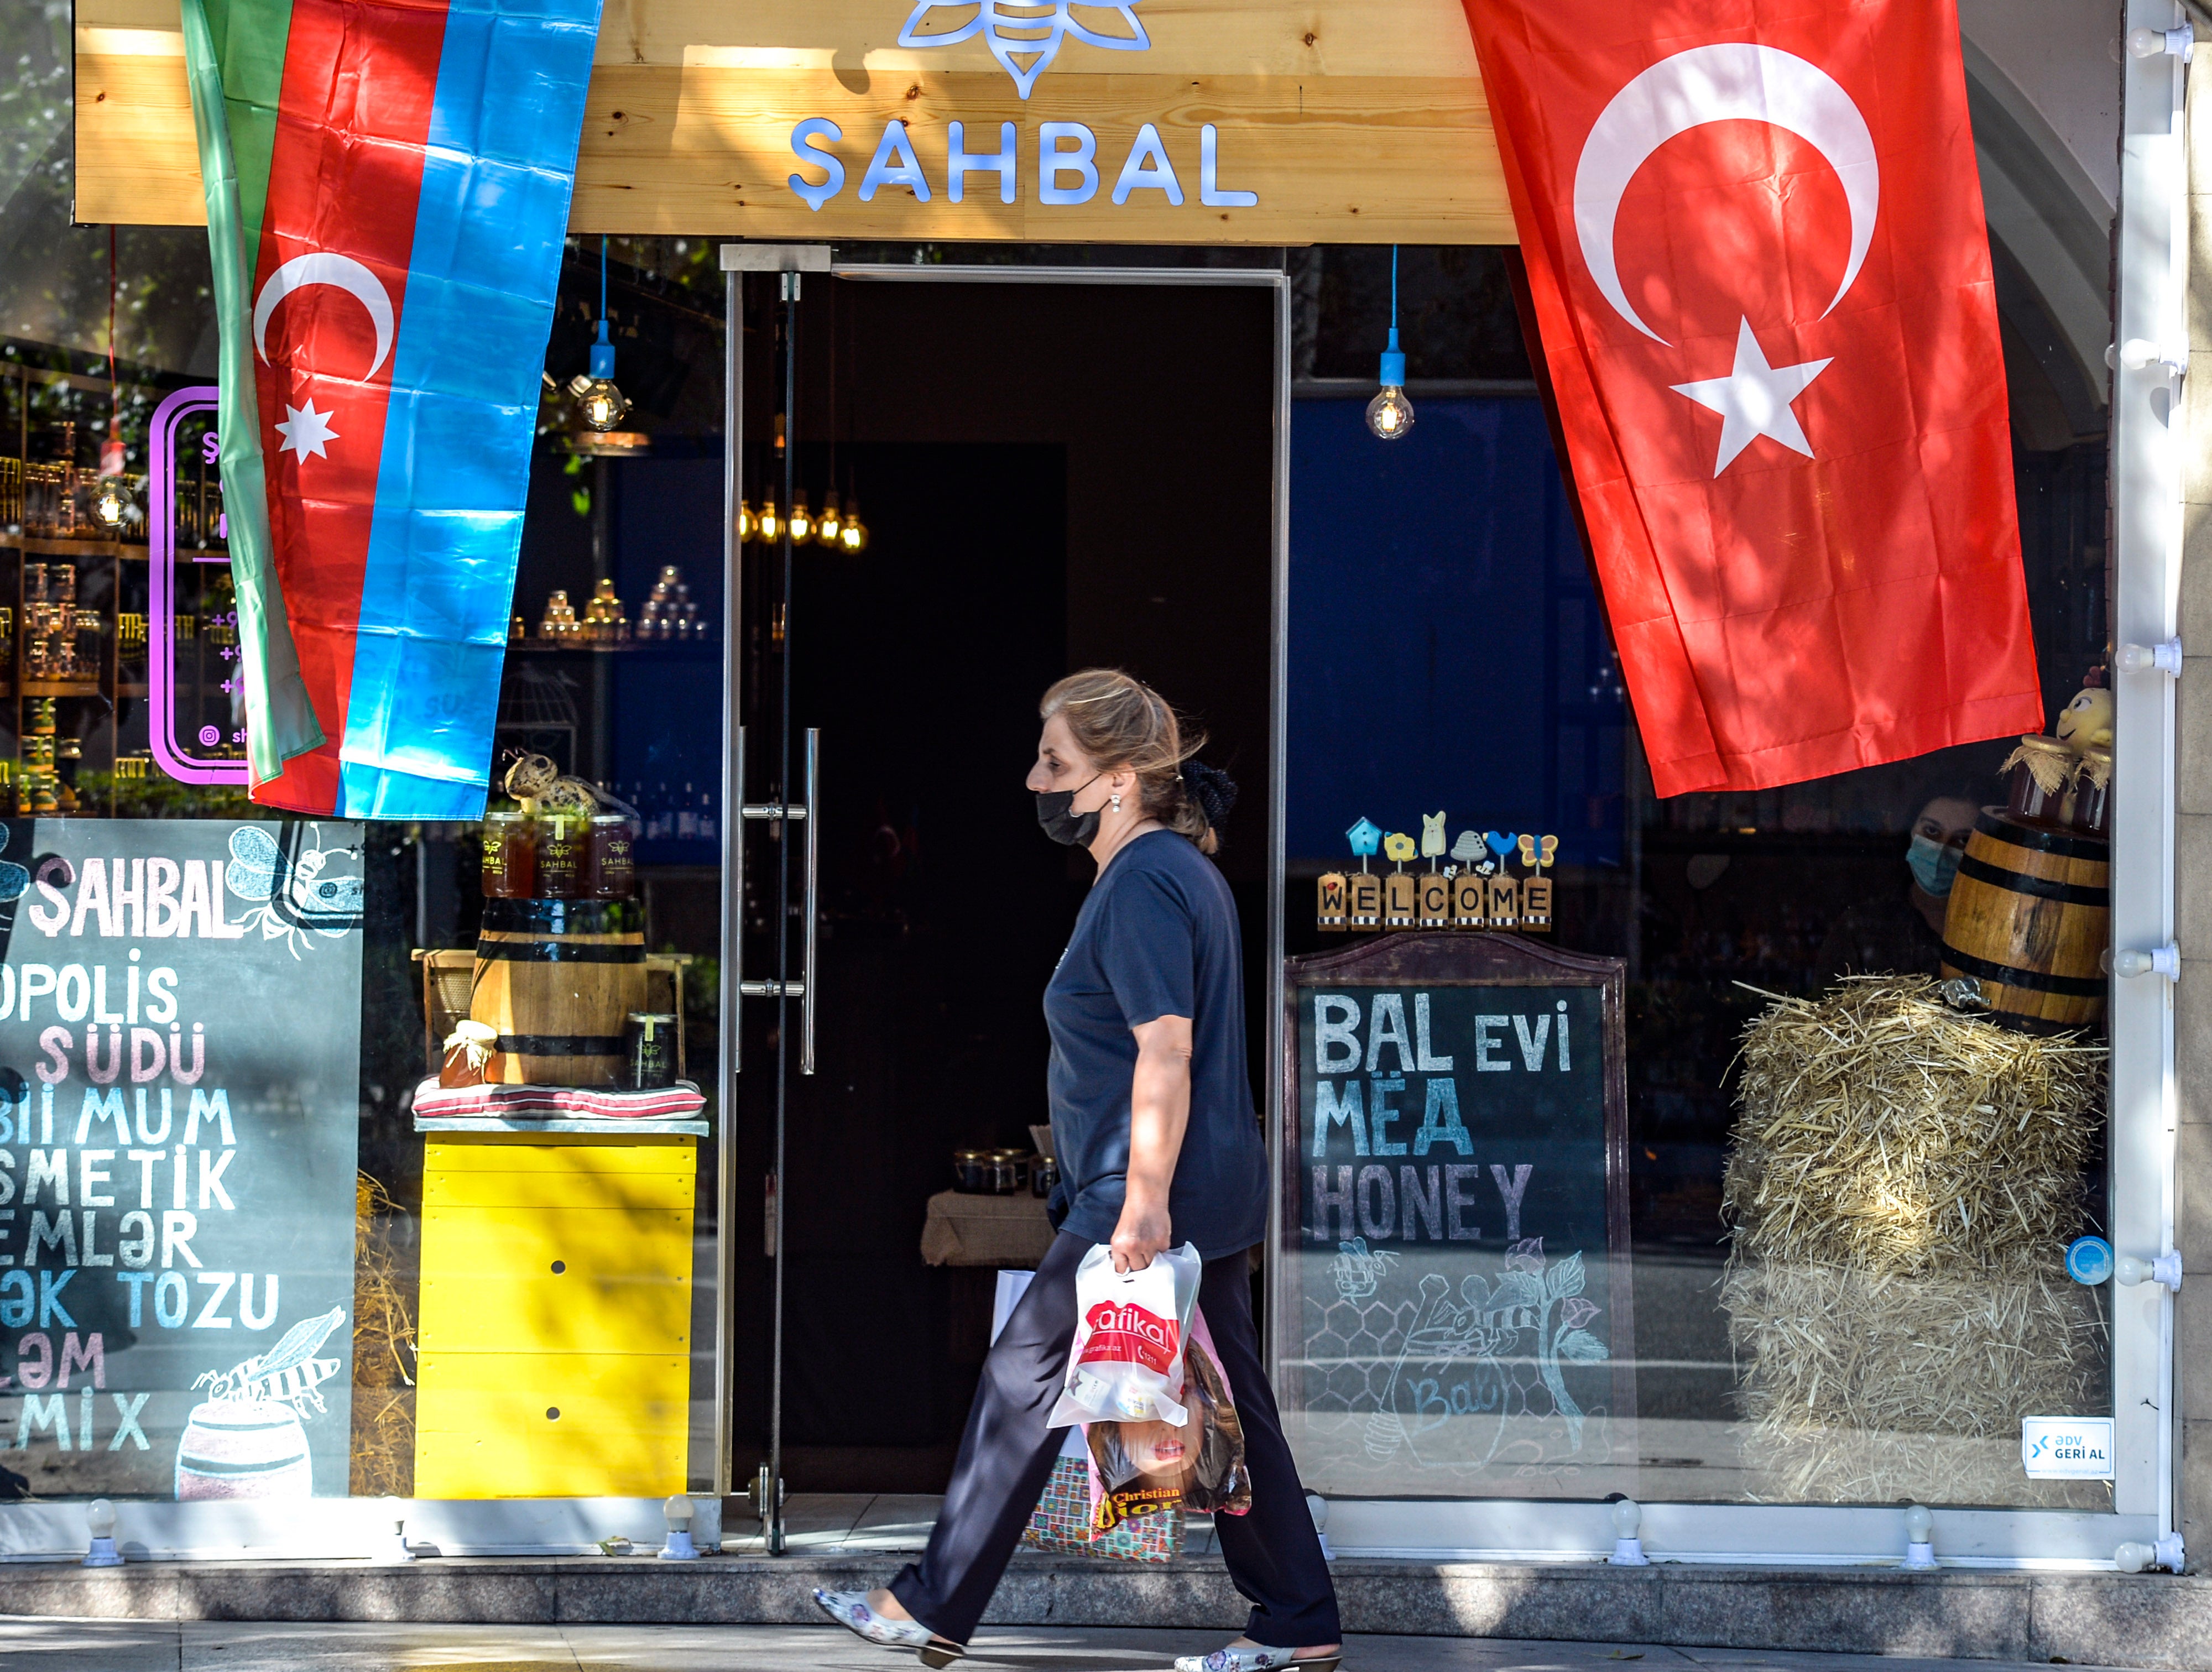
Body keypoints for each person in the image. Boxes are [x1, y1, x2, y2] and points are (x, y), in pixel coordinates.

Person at [812, 669, 1343, 1672]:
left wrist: (1141, 1201)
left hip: (1143, 1185)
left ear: (1122, 778)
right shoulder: (1177, 871)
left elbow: (1167, 1050)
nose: (1034, 782)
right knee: (1231, 1399)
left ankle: (926, 1601)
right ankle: (1297, 1610)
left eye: (1057, 764)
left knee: (1023, 1374)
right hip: (1196, 1180)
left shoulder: (1144, 880)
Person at [1814, 794, 1978, 980]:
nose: (1941, 849)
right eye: (1931, 831)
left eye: (1964, 840)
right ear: (1911, 832)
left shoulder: (1994, 934)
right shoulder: (1862, 928)